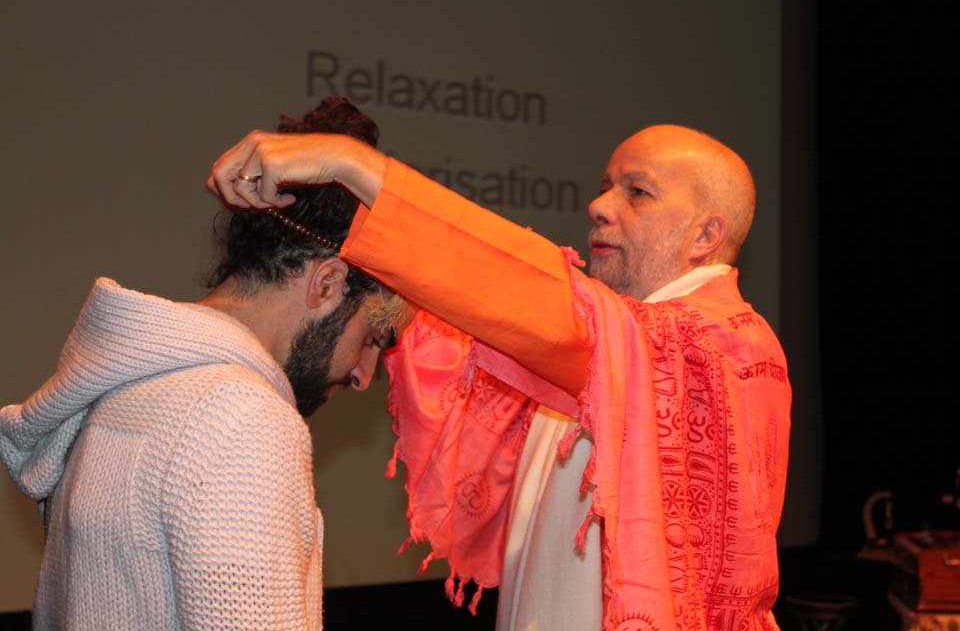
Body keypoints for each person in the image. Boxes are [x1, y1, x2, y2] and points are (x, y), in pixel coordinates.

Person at [208, 123, 791, 631]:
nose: (599, 205)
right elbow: (473, 319)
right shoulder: (617, 346)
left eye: (637, 192)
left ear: (705, 236)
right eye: (605, 185)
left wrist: (348, 162)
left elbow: (519, 289)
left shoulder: (717, 345)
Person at [0, 97, 402, 630]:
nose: (364, 374)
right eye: (374, 337)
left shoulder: (115, 390)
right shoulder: (239, 419)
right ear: (327, 284)